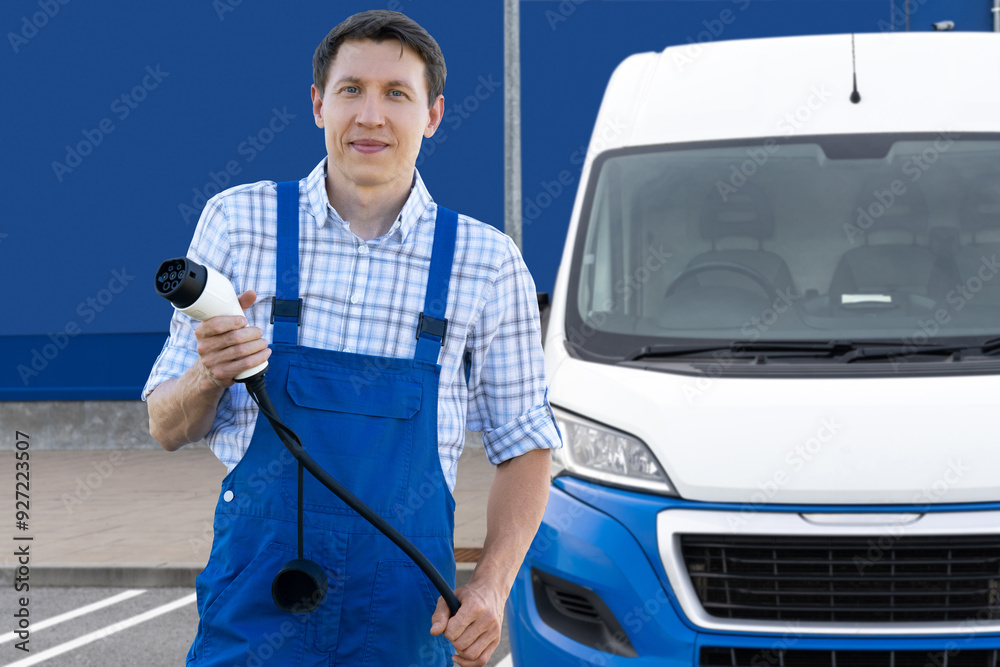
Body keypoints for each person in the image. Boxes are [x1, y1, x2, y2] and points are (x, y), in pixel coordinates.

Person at [143, 9, 559, 667]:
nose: (371, 115)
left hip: (403, 620)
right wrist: (207, 373)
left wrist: (493, 585)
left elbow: (528, 444)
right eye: (351, 89)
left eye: (397, 94)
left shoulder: (487, 260)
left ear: (434, 114)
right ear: (317, 104)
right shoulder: (237, 222)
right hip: (256, 615)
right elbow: (167, 423)